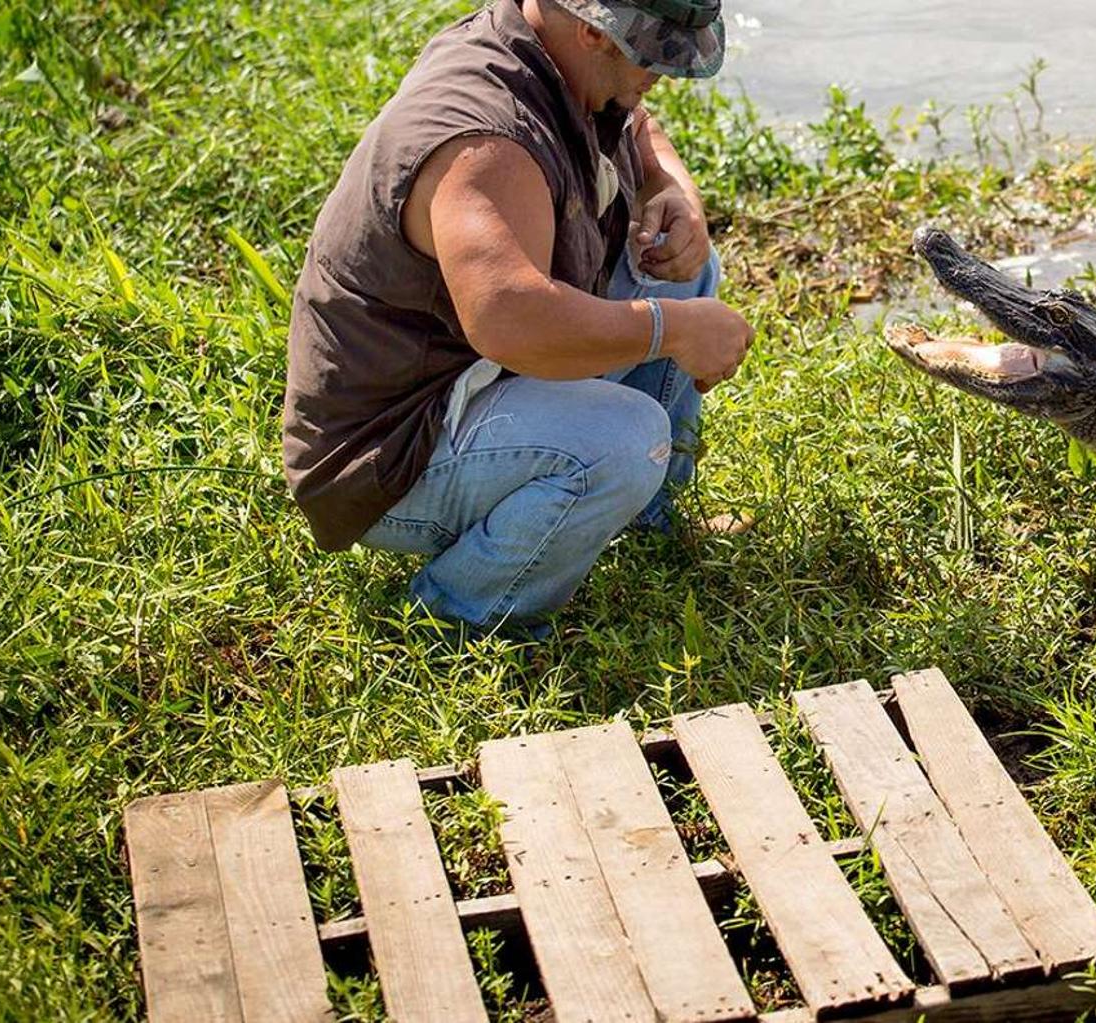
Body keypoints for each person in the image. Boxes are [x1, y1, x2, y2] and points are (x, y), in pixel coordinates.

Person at [282, 0, 753, 635]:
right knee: (620, 438)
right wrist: (676, 331)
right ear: (593, 31)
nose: (660, 75)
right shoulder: (487, 141)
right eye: (653, 55)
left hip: (479, 374)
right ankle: (460, 616)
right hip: (396, 449)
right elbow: (511, 322)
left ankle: (651, 520)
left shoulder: (554, 51)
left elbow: (636, 122)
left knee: (680, 269)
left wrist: (670, 191)